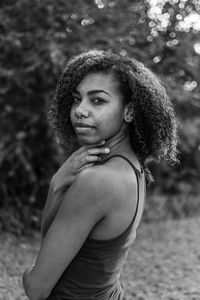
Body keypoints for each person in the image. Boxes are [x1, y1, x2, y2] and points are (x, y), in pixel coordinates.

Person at [22, 49, 179, 300]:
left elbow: (36, 288)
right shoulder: (133, 168)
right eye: (76, 99)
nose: (80, 110)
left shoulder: (97, 180)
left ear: (129, 112)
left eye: (97, 100)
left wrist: (26, 274)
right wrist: (57, 185)